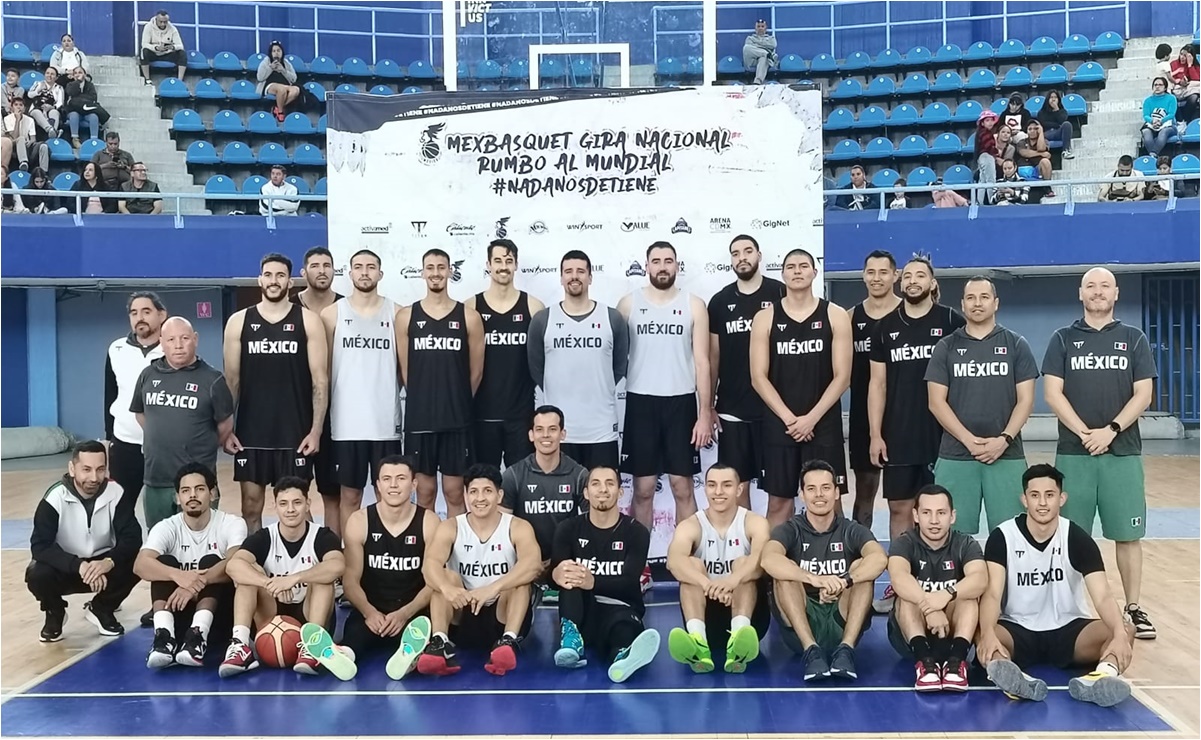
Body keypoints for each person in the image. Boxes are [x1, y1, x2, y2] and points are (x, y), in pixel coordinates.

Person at [1042, 267, 1158, 639]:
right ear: (1080, 293)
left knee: (1127, 535)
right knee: (1071, 534)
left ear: (1116, 293)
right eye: (1091, 286)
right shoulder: (1062, 339)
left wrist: (1110, 431)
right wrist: (1084, 432)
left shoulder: (1133, 338)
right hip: (1075, 454)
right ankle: (1068, 606)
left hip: (1121, 452)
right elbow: (1052, 394)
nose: (1097, 292)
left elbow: (1143, 394)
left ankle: (1134, 608)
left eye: (1104, 286)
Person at [976, 464, 1135, 708]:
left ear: (1061, 499)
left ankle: (1099, 678)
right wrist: (987, 632)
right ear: (1024, 499)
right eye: (1035, 495)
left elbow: (1102, 595)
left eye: (1049, 495)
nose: (1042, 503)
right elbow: (992, 594)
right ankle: (1013, 679)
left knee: (1125, 629)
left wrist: (1118, 634)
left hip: (1069, 630)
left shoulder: (1077, 538)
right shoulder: (1003, 537)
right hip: (1017, 628)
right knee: (982, 632)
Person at [224, 253, 328, 533]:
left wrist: (316, 431)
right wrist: (226, 429)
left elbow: (320, 380)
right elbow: (231, 381)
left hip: (294, 432)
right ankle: (254, 568)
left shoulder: (308, 320)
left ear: (290, 282)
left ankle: (304, 569)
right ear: (260, 280)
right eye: (268, 275)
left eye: (280, 275)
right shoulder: (238, 321)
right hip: (251, 433)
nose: (274, 280)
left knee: (299, 508)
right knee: (250, 507)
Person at [926, 276, 1038, 535]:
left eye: (984, 297)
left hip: (1006, 455)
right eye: (971, 298)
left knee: (1012, 536)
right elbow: (935, 402)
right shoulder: (946, 346)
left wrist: (1004, 439)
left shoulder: (1016, 344)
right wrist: (968, 440)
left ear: (995, 303)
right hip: (956, 455)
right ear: (962, 305)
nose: (977, 303)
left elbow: (1026, 400)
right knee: (953, 537)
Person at [750, 248, 852, 527]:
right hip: (780, 425)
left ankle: (836, 565)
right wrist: (790, 419)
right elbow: (758, 377)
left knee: (831, 502)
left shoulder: (835, 314)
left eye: (803, 266)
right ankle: (774, 570)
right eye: (791, 266)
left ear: (814, 272)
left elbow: (843, 376)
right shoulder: (766, 317)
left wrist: (811, 419)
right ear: (782, 274)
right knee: (779, 503)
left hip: (823, 424)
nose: (797, 271)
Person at [868, 257, 966, 544]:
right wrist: (876, 434)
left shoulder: (951, 321)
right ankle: (902, 576)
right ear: (900, 282)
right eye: (908, 276)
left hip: (944, 434)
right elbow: (878, 383)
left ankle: (943, 572)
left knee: (943, 509)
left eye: (920, 275)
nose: (913, 281)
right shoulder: (885, 327)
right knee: (900, 508)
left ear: (932, 283)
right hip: (900, 434)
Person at [618, 241, 713, 533]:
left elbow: (702, 363)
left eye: (668, 260)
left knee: (682, 487)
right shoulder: (628, 304)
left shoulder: (693, 304)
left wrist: (704, 413)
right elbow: (615, 358)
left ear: (676, 265)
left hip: (681, 404)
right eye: (656, 261)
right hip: (641, 404)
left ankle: (689, 560)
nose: (662, 266)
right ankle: (638, 564)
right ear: (646, 266)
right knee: (643, 489)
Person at [761, 460, 886, 681]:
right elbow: (768, 559)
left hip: (841, 616)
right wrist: (814, 579)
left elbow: (879, 558)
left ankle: (846, 650)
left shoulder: (851, 529)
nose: (819, 495)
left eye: (826, 488)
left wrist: (845, 581)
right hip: (803, 620)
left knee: (862, 569)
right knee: (785, 571)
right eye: (811, 489)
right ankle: (811, 651)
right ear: (802, 495)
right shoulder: (790, 529)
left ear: (837, 492)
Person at [419, 464, 542, 677]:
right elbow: (429, 566)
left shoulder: (517, 526)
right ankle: (440, 641)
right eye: (473, 492)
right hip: (463, 612)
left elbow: (533, 565)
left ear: (499, 495)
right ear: (466, 495)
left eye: (487, 491)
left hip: (500, 615)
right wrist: (446, 588)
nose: (480, 498)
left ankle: (508, 641)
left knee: (520, 580)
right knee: (443, 577)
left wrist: (492, 588)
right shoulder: (451, 526)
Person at [220, 477, 349, 678]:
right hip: (270, 616)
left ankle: (312, 646)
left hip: (310, 614)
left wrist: (294, 578)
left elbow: (338, 565)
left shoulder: (322, 536)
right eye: (283, 503)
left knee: (323, 574)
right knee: (248, 572)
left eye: (297, 503)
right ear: (275, 506)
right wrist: (270, 583)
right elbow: (233, 566)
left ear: (308, 504)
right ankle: (240, 645)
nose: (290, 509)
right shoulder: (264, 537)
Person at [320, 248, 403, 538]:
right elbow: (323, 371)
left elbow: (406, 371)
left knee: (388, 497)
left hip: (385, 426)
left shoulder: (397, 312)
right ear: (350, 272)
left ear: (380, 273)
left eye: (370, 267)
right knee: (350, 497)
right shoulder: (332, 314)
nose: (364, 272)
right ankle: (348, 558)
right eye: (358, 267)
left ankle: (384, 554)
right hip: (346, 426)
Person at [551, 465, 660, 682]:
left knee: (622, 629)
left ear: (620, 492)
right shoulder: (568, 528)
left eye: (610, 483)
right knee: (572, 576)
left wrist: (593, 582)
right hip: (582, 611)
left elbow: (629, 582)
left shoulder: (636, 531)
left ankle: (622, 657)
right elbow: (556, 576)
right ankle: (571, 640)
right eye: (596, 484)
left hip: (620, 608)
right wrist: (555, 574)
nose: (603, 489)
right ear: (585, 493)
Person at [134, 462, 247, 669]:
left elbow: (236, 562)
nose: (192, 495)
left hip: (219, 620)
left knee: (212, 562)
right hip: (180, 613)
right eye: (185, 491)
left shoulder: (231, 523)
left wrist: (197, 581)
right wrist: (178, 576)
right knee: (163, 564)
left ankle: (198, 637)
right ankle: (164, 639)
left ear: (212, 494)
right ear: (178, 497)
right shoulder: (167, 527)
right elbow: (140, 565)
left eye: (200, 489)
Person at [399, 248, 485, 518]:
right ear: (423, 272)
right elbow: (405, 372)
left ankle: (455, 555)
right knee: (424, 493)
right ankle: (427, 555)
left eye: (441, 267)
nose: (436, 273)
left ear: (449, 271)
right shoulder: (406, 316)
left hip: (456, 422)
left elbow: (476, 372)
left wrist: (455, 400)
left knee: (454, 492)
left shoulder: (468, 316)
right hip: (420, 421)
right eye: (430, 267)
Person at [27, 440, 141, 641]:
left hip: (104, 567)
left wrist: (108, 562)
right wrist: (79, 566)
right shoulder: (54, 498)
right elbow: (40, 546)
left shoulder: (116, 493)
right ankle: (54, 611)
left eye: (100, 469)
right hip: (67, 567)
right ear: (72, 468)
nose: (94, 477)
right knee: (37, 573)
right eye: (86, 469)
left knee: (140, 562)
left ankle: (102, 608)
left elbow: (133, 538)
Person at [130, 316, 235, 530]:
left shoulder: (213, 379)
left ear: (195, 339)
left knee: (200, 540)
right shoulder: (148, 375)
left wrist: (199, 444)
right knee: (159, 541)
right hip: (156, 478)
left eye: (185, 338)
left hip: (198, 482)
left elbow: (225, 425)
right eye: (170, 340)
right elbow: (141, 415)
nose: (178, 345)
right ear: (161, 341)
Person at [666, 463, 771, 674]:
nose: (719, 492)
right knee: (692, 565)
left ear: (739, 489)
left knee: (744, 564)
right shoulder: (691, 525)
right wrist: (709, 585)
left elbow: (760, 562)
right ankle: (699, 644)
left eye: (726, 485)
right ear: (704, 488)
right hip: (706, 617)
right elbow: (673, 562)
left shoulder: (755, 522)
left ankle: (738, 643)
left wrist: (732, 581)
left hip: (750, 620)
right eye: (712, 485)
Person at [528, 250, 628, 470]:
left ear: (590, 277)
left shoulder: (612, 318)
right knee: (562, 502)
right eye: (569, 271)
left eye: (581, 271)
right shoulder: (543, 320)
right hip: (559, 433)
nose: (575, 276)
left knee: (603, 499)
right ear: (561, 277)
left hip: (602, 431)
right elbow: (537, 369)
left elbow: (619, 367)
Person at [341, 455, 439, 679]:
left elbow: (434, 581)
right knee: (354, 638)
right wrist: (369, 612)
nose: (393, 485)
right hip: (371, 612)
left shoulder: (430, 522)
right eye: (386, 479)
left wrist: (405, 613)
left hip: (413, 613)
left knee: (424, 631)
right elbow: (350, 581)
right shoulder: (359, 521)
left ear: (413, 484)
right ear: (378, 485)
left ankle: (409, 654)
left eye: (401, 478)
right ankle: (344, 655)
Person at [708, 234, 786, 508]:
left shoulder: (780, 293)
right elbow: (713, 356)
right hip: (733, 410)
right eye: (735, 253)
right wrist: (707, 406)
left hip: (775, 410)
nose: (742, 257)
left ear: (759, 255)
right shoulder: (719, 302)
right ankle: (746, 552)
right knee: (738, 496)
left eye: (748, 251)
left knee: (780, 495)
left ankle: (774, 551)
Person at [886, 484, 986, 692]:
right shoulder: (904, 543)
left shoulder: (965, 544)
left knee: (969, 595)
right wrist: (928, 606)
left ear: (952, 516)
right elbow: (898, 578)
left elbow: (979, 578)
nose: (934, 520)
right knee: (906, 596)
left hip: (953, 632)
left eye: (941, 513)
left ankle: (957, 664)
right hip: (910, 636)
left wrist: (946, 595)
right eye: (926, 513)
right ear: (915, 515)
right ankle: (925, 664)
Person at [467, 239, 545, 469]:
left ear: (516, 265)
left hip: (520, 417)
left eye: (508, 261)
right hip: (482, 415)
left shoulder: (533, 306)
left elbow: (541, 362)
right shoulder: (471, 306)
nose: (503, 266)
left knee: (520, 486)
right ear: (488, 265)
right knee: (482, 485)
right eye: (498, 261)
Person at [500, 405, 589, 603]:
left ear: (562, 434)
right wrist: (528, 558)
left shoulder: (579, 474)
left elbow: (590, 526)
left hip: (565, 561)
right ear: (531, 435)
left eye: (552, 429)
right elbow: (501, 527)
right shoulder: (513, 475)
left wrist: (562, 558)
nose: (545, 435)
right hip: (525, 561)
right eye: (539, 429)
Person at [846, 251, 900, 527]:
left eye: (883, 272)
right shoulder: (849, 318)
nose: (876, 278)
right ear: (863, 275)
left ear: (895, 275)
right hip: (863, 417)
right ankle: (859, 556)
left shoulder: (908, 315)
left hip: (905, 415)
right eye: (871, 272)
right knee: (865, 490)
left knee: (904, 498)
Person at [104, 291, 167, 519]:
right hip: (124, 446)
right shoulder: (116, 349)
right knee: (120, 511)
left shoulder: (172, 349)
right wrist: (109, 437)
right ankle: (122, 555)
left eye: (146, 311)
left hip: (163, 447)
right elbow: (110, 394)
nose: (139, 317)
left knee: (163, 511)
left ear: (162, 315)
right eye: (134, 312)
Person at [296, 246, 344, 525]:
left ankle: (332, 559)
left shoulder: (347, 307)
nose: (322, 270)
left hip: (337, 415)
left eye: (327, 265)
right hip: (296, 411)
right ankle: (303, 555)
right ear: (304, 272)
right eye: (315, 265)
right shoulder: (288, 306)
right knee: (296, 491)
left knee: (333, 494)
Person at [2, 97, 49, 172]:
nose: (18, 107)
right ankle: (23, 162)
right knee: (21, 138)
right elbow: (14, 137)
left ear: (24, 108)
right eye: (16, 105)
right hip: (14, 146)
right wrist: (17, 120)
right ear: (12, 107)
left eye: (21, 105)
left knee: (44, 146)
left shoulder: (30, 120)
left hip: (27, 146)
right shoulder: (7, 119)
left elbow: (33, 138)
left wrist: (30, 142)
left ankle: (44, 172)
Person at [256, 40, 300, 122]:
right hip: (270, 85)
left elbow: (294, 78)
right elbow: (260, 77)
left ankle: (277, 108)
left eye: (278, 51)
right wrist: (270, 68)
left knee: (296, 90)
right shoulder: (266, 61)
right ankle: (280, 112)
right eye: (274, 51)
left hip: (286, 85)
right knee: (281, 89)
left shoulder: (286, 63)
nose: (276, 53)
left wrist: (283, 70)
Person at [63, 65, 105, 148]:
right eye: (75, 73)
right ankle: (75, 139)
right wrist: (78, 82)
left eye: (80, 72)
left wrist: (78, 99)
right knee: (74, 115)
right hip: (73, 110)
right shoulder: (70, 85)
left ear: (85, 75)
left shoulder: (90, 85)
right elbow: (71, 93)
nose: (78, 74)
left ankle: (94, 140)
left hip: (87, 111)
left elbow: (93, 98)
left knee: (94, 116)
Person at [140, 10, 186, 82]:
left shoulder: (173, 29)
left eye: (165, 22)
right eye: (161, 22)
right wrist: (156, 48)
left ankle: (180, 80)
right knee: (144, 51)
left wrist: (170, 47)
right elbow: (144, 44)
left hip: (167, 53)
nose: (163, 24)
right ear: (156, 19)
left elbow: (180, 45)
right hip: (154, 53)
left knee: (182, 53)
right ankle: (147, 79)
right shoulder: (148, 27)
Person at [1142, 77, 1178, 158]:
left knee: (1163, 132)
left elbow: (1171, 114)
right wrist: (1153, 121)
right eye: (1155, 85)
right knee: (1146, 133)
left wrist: (1160, 121)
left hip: (1168, 125)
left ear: (1165, 87)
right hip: (1152, 124)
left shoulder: (1171, 98)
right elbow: (1145, 115)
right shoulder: (1148, 100)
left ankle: (1153, 155)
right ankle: (1155, 157)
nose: (1157, 87)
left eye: (1160, 85)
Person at [26, 66, 64, 139]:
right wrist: (38, 90)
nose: (49, 75)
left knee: (54, 112)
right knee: (36, 112)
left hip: (51, 108)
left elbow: (60, 103)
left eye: (52, 74)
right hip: (37, 107)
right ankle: (51, 130)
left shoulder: (59, 88)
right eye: (47, 73)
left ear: (56, 77)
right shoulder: (38, 83)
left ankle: (53, 131)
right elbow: (29, 95)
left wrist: (52, 107)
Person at [1037, 89, 1075, 159]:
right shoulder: (1041, 112)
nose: (1053, 99)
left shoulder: (1062, 111)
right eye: (1051, 97)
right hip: (1046, 134)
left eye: (1055, 97)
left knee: (1067, 124)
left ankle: (1066, 150)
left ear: (1058, 100)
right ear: (1047, 99)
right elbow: (1043, 124)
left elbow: (1062, 121)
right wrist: (1057, 125)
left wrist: (1057, 110)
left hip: (1058, 132)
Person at [742, 19, 778, 85]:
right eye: (758, 26)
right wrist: (765, 48)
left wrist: (757, 44)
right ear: (755, 28)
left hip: (765, 61)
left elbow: (773, 45)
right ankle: (767, 54)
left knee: (763, 58)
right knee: (746, 47)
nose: (760, 28)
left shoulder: (771, 38)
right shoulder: (750, 38)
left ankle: (757, 82)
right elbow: (749, 48)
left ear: (765, 28)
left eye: (762, 26)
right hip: (752, 61)